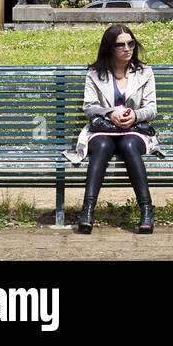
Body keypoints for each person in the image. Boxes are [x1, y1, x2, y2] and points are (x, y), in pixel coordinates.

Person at [65, 25, 161, 234]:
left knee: (128, 144)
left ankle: (146, 211)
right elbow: (89, 107)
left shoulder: (144, 72)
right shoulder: (95, 73)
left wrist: (134, 115)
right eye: (120, 45)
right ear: (109, 48)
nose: (127, 48)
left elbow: (151, 109)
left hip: (134, 130)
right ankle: (87, 211)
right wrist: (110, 113)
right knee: (101, 145)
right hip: (104, 130)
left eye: (131, 43)